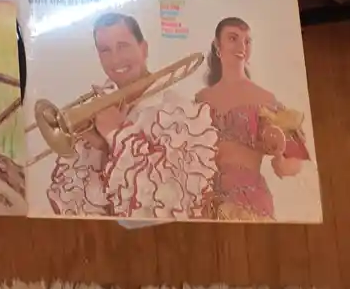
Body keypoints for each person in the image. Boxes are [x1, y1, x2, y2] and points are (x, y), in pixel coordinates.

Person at [45, 12, 218, 219]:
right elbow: (82, 208)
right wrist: (101, 149)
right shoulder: (97, 109)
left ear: (143, 49)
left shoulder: (183, 115)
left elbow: (166, 206)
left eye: (123, 46)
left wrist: (116, 134)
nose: (115, 59)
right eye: (105, 50)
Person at [195, 17, 311, 221]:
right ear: (217, 45)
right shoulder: (201, 98)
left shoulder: (265, 99)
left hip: (248, 201)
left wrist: (283, 164)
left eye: (247, 41)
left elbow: (297, 157)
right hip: (204, 198)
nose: (242, 46)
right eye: (233, 38)